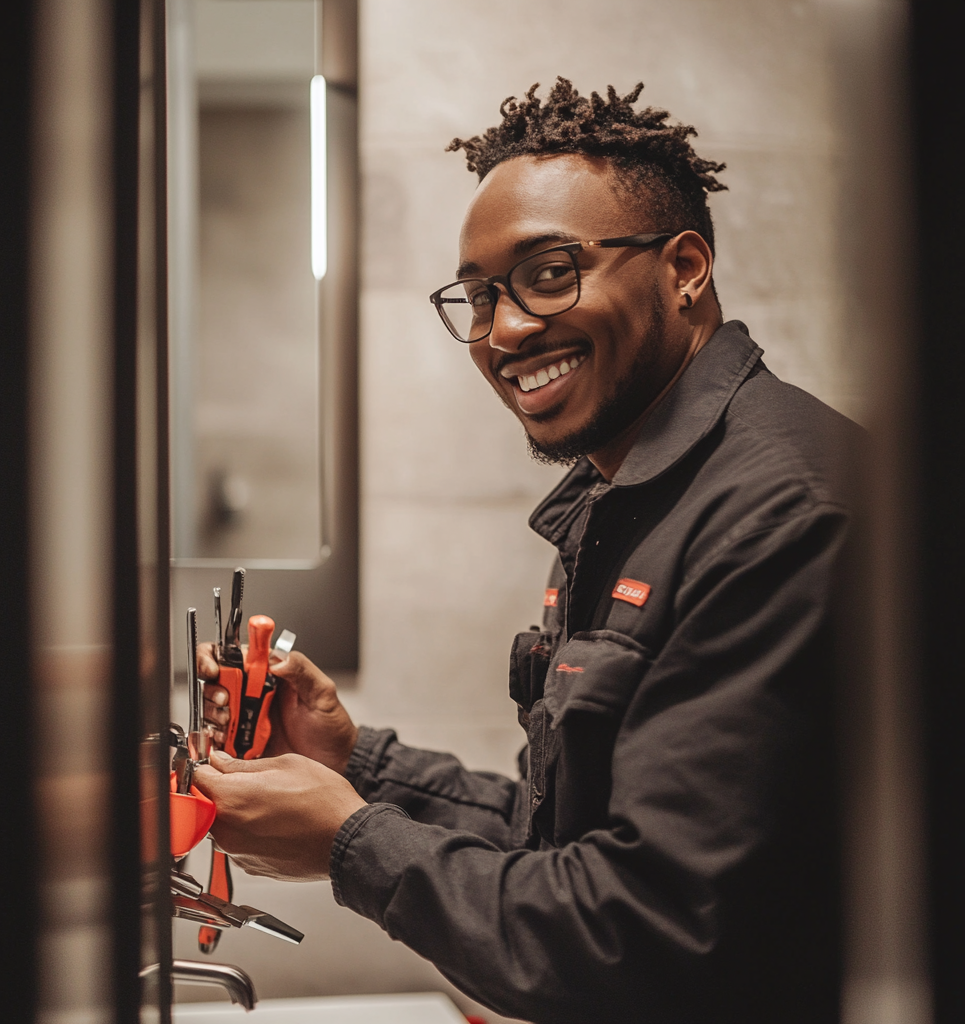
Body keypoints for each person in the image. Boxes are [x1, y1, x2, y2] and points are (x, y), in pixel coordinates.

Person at [194, 79, 859, 1023]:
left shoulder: (783, 519)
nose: (502, 330)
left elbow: (645, 933)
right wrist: (359, 770)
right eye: (477, 297)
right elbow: (574, 852)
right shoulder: (622, 497)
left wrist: (351, 843)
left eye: (550, 272)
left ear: (684, 268)